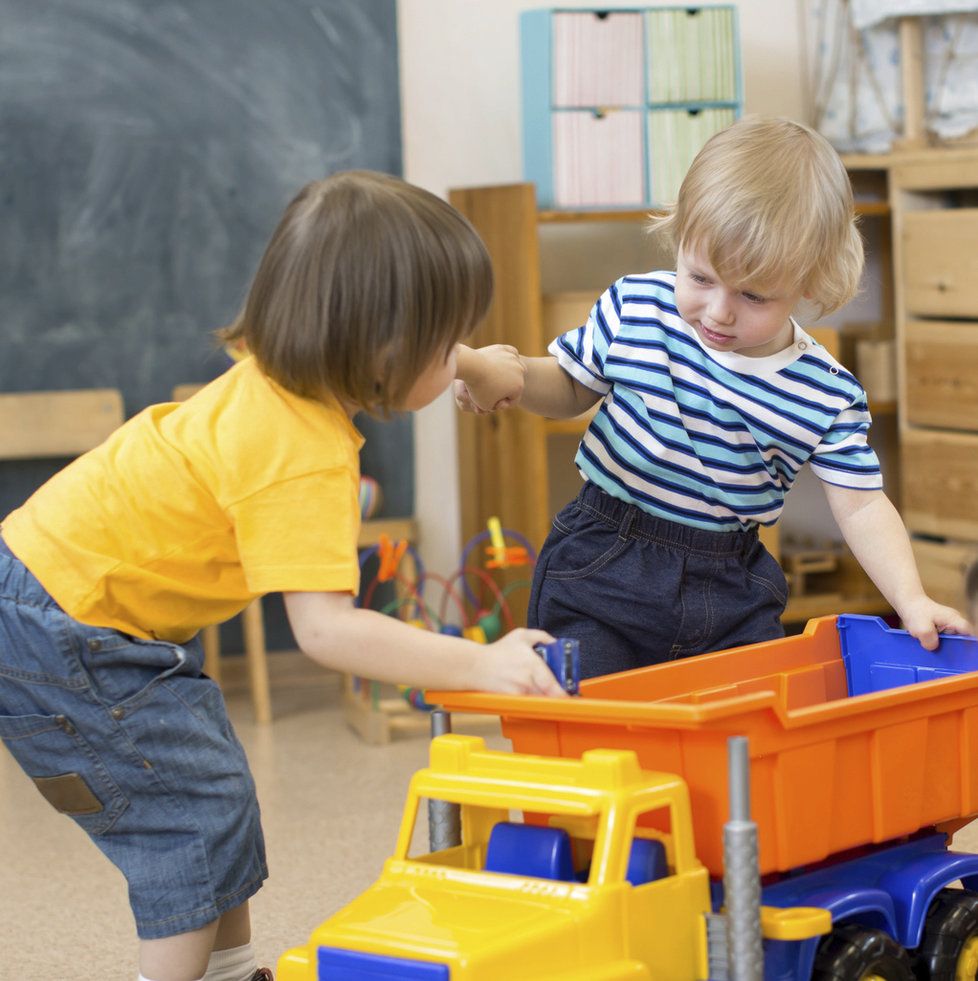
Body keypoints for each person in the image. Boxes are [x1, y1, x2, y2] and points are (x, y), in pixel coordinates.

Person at [0, 171, 565, 981]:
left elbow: (369, 325)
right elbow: (327, 630)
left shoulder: (277, 368)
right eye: (449, 344)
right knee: (188, 821)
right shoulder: (302, 452)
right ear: (383, 350)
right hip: (68, 632)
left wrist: (468, 363)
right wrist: (481, 662)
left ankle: (230, 973)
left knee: (213, 792)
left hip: (68, 602)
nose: (458, 359)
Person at [454, 116, 971, 679]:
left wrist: (911, 599)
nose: (719, 311)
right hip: (604, 565)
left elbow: (864, 504)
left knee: (741, 738)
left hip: (731, 588)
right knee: (589, 723)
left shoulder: (826, 391)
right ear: (679, 241)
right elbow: (574, 384)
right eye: (700, 277)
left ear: (811, 281)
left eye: (753, 294)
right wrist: (516, 377)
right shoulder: (638, 308)